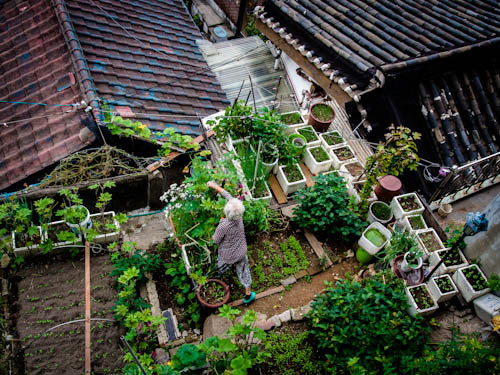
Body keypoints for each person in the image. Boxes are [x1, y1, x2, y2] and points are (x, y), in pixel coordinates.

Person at [207, 181, 255, 304]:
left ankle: (219, 277)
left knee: (222, 266)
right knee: (244, 271)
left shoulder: (223, 226)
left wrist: (218, 226)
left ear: (226, 212)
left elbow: (215, 240)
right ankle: (248, 294)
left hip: (227, 255)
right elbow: (229, 197)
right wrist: (216, 187)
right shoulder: (239, 216)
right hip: (241, 252)